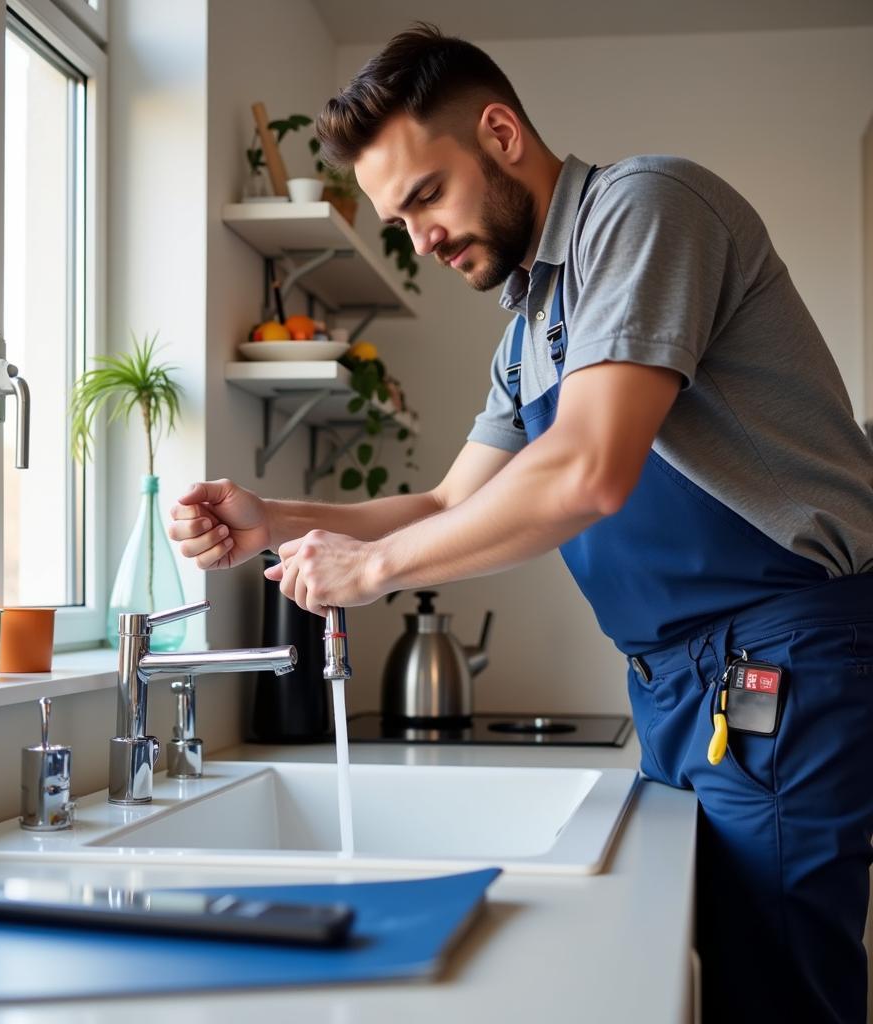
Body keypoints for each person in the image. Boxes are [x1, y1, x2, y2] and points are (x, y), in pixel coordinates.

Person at [169, 23, 873, 1023]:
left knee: (778, 993)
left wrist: (370, 573)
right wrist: (270, 520)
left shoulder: (643, 212)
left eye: (425, 196)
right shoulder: (530, 329)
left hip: (778, 659)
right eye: (395, 220)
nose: (419, 237)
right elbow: (453, 501)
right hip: (684, 686)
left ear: (499, 133)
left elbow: (588, 468)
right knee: (725, 975)